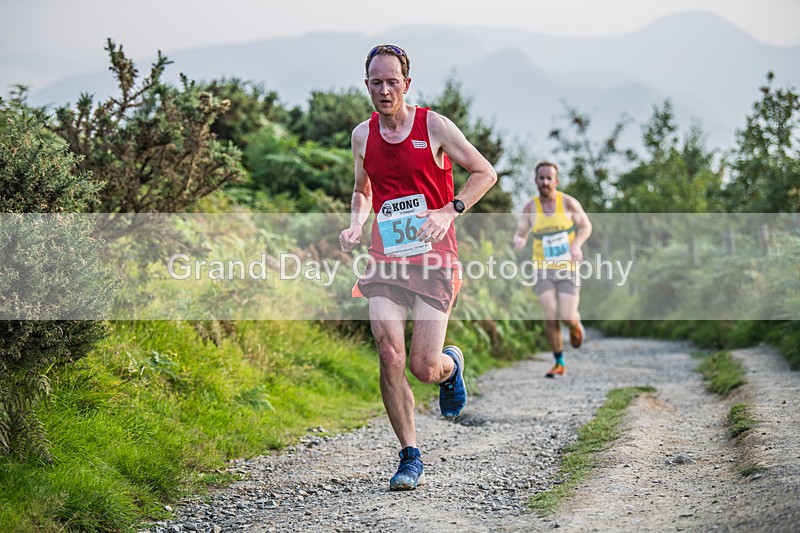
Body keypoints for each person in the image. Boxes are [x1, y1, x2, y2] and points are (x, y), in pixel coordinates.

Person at [339, 44, 497, 491]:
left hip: (434, 257)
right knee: (389, 351)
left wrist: (450, 210)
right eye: (377, 82)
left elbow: (485, 173)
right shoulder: (362, 135)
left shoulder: (434, 126)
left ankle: (450, 365)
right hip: (386, 258)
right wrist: (356, 224)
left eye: (393, 82)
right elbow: (362, 189)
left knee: (423, 367)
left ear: (407, 84)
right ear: (366, 84)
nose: (385, 90)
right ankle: (410, 456)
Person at [513, 161, 592, 378]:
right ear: (536, 181)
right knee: (550, 314)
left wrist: (576, 244)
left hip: (568, 268)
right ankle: (559, 362)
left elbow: (585, 226)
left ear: (556, 181)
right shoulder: (530, 208)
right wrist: (519, 239)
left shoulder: (568, 203)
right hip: (542, 269)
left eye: (549, 178)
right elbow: (521, 231)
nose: (545, 182)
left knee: (566, 315)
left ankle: (574, 324)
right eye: (542, 178)